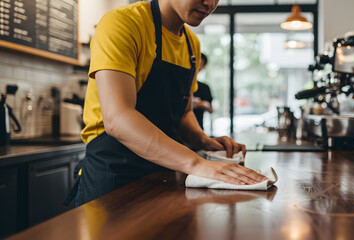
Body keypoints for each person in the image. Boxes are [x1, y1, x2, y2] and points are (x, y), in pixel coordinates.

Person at [72, 0, 267, 206]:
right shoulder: (122, 23)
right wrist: (197, 163)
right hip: (115, 175)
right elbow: (117, 118)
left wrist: (203, 140)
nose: (210, 3)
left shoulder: (192, 44)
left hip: (164, 175)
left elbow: (183, 114)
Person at [193, 53, 213, 130]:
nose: (196, 67)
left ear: (203, 67)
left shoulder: (204, 87)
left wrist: (204, 104)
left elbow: (211, 109)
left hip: (198, 130)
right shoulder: (179, 85)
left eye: (200, 64)